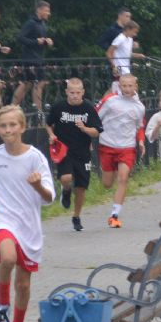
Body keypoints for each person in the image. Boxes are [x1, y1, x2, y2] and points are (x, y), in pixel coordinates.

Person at [0, 106, 54, 322]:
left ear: (22, 127)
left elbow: (50, 197)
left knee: (23, 285)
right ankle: (2, 304)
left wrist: (37, 185)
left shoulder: (35, 158)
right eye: (3, 126)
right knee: (8, 257)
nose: (8, 129)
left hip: (29, 225)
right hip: (3, 218)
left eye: (12, 125)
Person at [46, 76, 102, 232]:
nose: (75, 95)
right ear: (66, 92)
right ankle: (65, 190)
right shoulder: (59, 107)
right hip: (64, 150)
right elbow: (48, 124)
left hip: (83, 151)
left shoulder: (89, 108)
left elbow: (97, 131)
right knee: (66, 177)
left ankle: (76, 216)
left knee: (81, 187)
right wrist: (51, 135)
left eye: (78, 92)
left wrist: (85, 128)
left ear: (83, 92)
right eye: (72, 92)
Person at [96, 73, 146, 228]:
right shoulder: (110, 101)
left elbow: (139, 127)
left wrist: (141, 141)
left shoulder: (139, 107)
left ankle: (114, 215)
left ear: (136, 87)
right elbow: (95, 116)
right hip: (107, 145)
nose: (127, 89)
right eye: (124, 85)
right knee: (107, 183)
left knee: (123, 178)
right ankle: (110, 172)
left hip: (127, 147)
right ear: (119, 86)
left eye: (130, 86)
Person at [12, 1, 54, 113]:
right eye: (46, 10)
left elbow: (40, 41)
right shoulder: (31, 23)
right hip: (29, 58)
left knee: (37, 83)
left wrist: (47, 42)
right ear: (39, 10)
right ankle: (13, 107)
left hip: (38, 58)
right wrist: (36, 41)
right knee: (28, 83)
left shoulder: (43, 24)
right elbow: (20, 38)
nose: (48, 13)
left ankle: (38, 110)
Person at [95, 6, 132, 75]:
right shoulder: (112, 29)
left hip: (124, 63)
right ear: (120, 16)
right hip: (114, 63)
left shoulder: (126, 30)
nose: (129, 19)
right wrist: (112, 49)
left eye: (129, 17)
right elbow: (100, 41)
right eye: (127, 16)